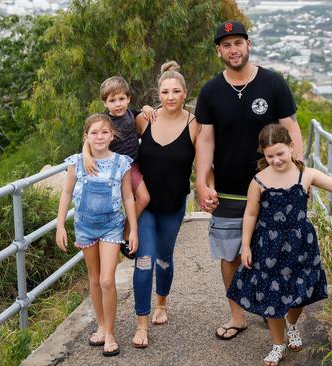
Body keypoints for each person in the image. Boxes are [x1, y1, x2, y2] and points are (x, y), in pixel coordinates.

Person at [227, 124, 332, 365]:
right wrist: (245, 245)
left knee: (300, 292)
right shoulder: (259, 181)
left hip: (300, 244)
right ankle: (277, 344)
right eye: (269, 155)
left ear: (291, 147)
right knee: (273, 296)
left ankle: (291, 325)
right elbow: (251, 214)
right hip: (268, 246)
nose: (276, 160)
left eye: (280, 153)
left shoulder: (307, 175)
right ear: (263, 154)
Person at [194, 20, 304, 341]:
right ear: (219, 51)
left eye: (237, 43)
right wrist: (203, 182)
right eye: (226, 45)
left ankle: (280, 315)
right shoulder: (211, 91)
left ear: (248, 44)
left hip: (273, 187)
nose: (233, 50)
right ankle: (237, 316)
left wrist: (296, 172)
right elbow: (205, 139)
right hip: (228, 190)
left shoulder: (273, 83)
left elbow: (291, 128)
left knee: (280, 253)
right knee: (229, 255)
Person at [55, 114, 138, 357]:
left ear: (112, 136)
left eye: (104, 132)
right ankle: (101, 326)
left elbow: (128, 197)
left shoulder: (121, 162)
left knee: (106, 279)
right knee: (93, 278)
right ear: (86, 137)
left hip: (112, 226)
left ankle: (111, 333)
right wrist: (60, 225)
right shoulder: (77, 162)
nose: (99, 137)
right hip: (85, 225)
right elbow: (66, 193)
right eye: (94, 133)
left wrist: (132, 229)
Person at [130, 61, 200, 349]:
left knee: (163, 260)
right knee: (144, 262)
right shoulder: (145, 120)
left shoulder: (195, 125)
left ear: (185, 93)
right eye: (164, 92)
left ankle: (162, 303)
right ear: (157, 94)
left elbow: (207, 162)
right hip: (145, 206)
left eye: (175, 91)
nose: (170, 97)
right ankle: (142, 324)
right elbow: (114, 136)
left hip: (173, 206)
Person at [83, 76, 155, 256]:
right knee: (114, 206)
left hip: (133, 167)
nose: (118, 104)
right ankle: (114, 237)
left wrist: (146, 108)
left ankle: (125, 233)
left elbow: (144, 112)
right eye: (112, 100)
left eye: (121, 98)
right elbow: (87, 140)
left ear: (129, 98)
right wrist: (86, 155)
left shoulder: (132, 114)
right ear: (104, 103)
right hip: (114, 170)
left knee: (144, 198)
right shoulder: (104, 121)